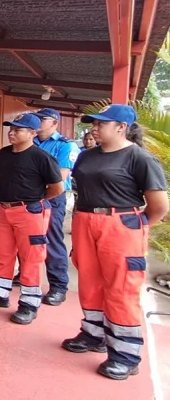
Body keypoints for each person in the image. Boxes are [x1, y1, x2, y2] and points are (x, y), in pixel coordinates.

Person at [62, 104, 168, 381]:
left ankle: (125, 354)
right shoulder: (86, 157)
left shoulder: (140, 158)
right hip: (85, 221)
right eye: (93, 124)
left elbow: (158, 206)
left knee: (121, 287)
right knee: (89, 282)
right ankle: (93, 334)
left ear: (121, 127)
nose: (93, 128)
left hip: (121, 225)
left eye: (101, 123)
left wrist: (135, 226)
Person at [0, 113, 64, 325]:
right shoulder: (4, 154)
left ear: (32, 133)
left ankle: (29, 304)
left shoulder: (42, 157)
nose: (11, 133)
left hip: (29, 213)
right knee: (2, 253)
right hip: (4, 210)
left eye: (18, 129)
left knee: (31, 258)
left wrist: (35, 200)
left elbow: (56, 188)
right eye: (10, 128)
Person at [11, 108, 80, 306]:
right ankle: (24, 274)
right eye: (37, 118)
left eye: (43, 119)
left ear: (55, 123)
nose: (39, 122)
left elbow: (60, 178)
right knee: (24, 239)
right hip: (25, 197)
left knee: (50, 240)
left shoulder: (65, 145)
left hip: (52, 197)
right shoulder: (28, 140)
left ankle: (58, 286)